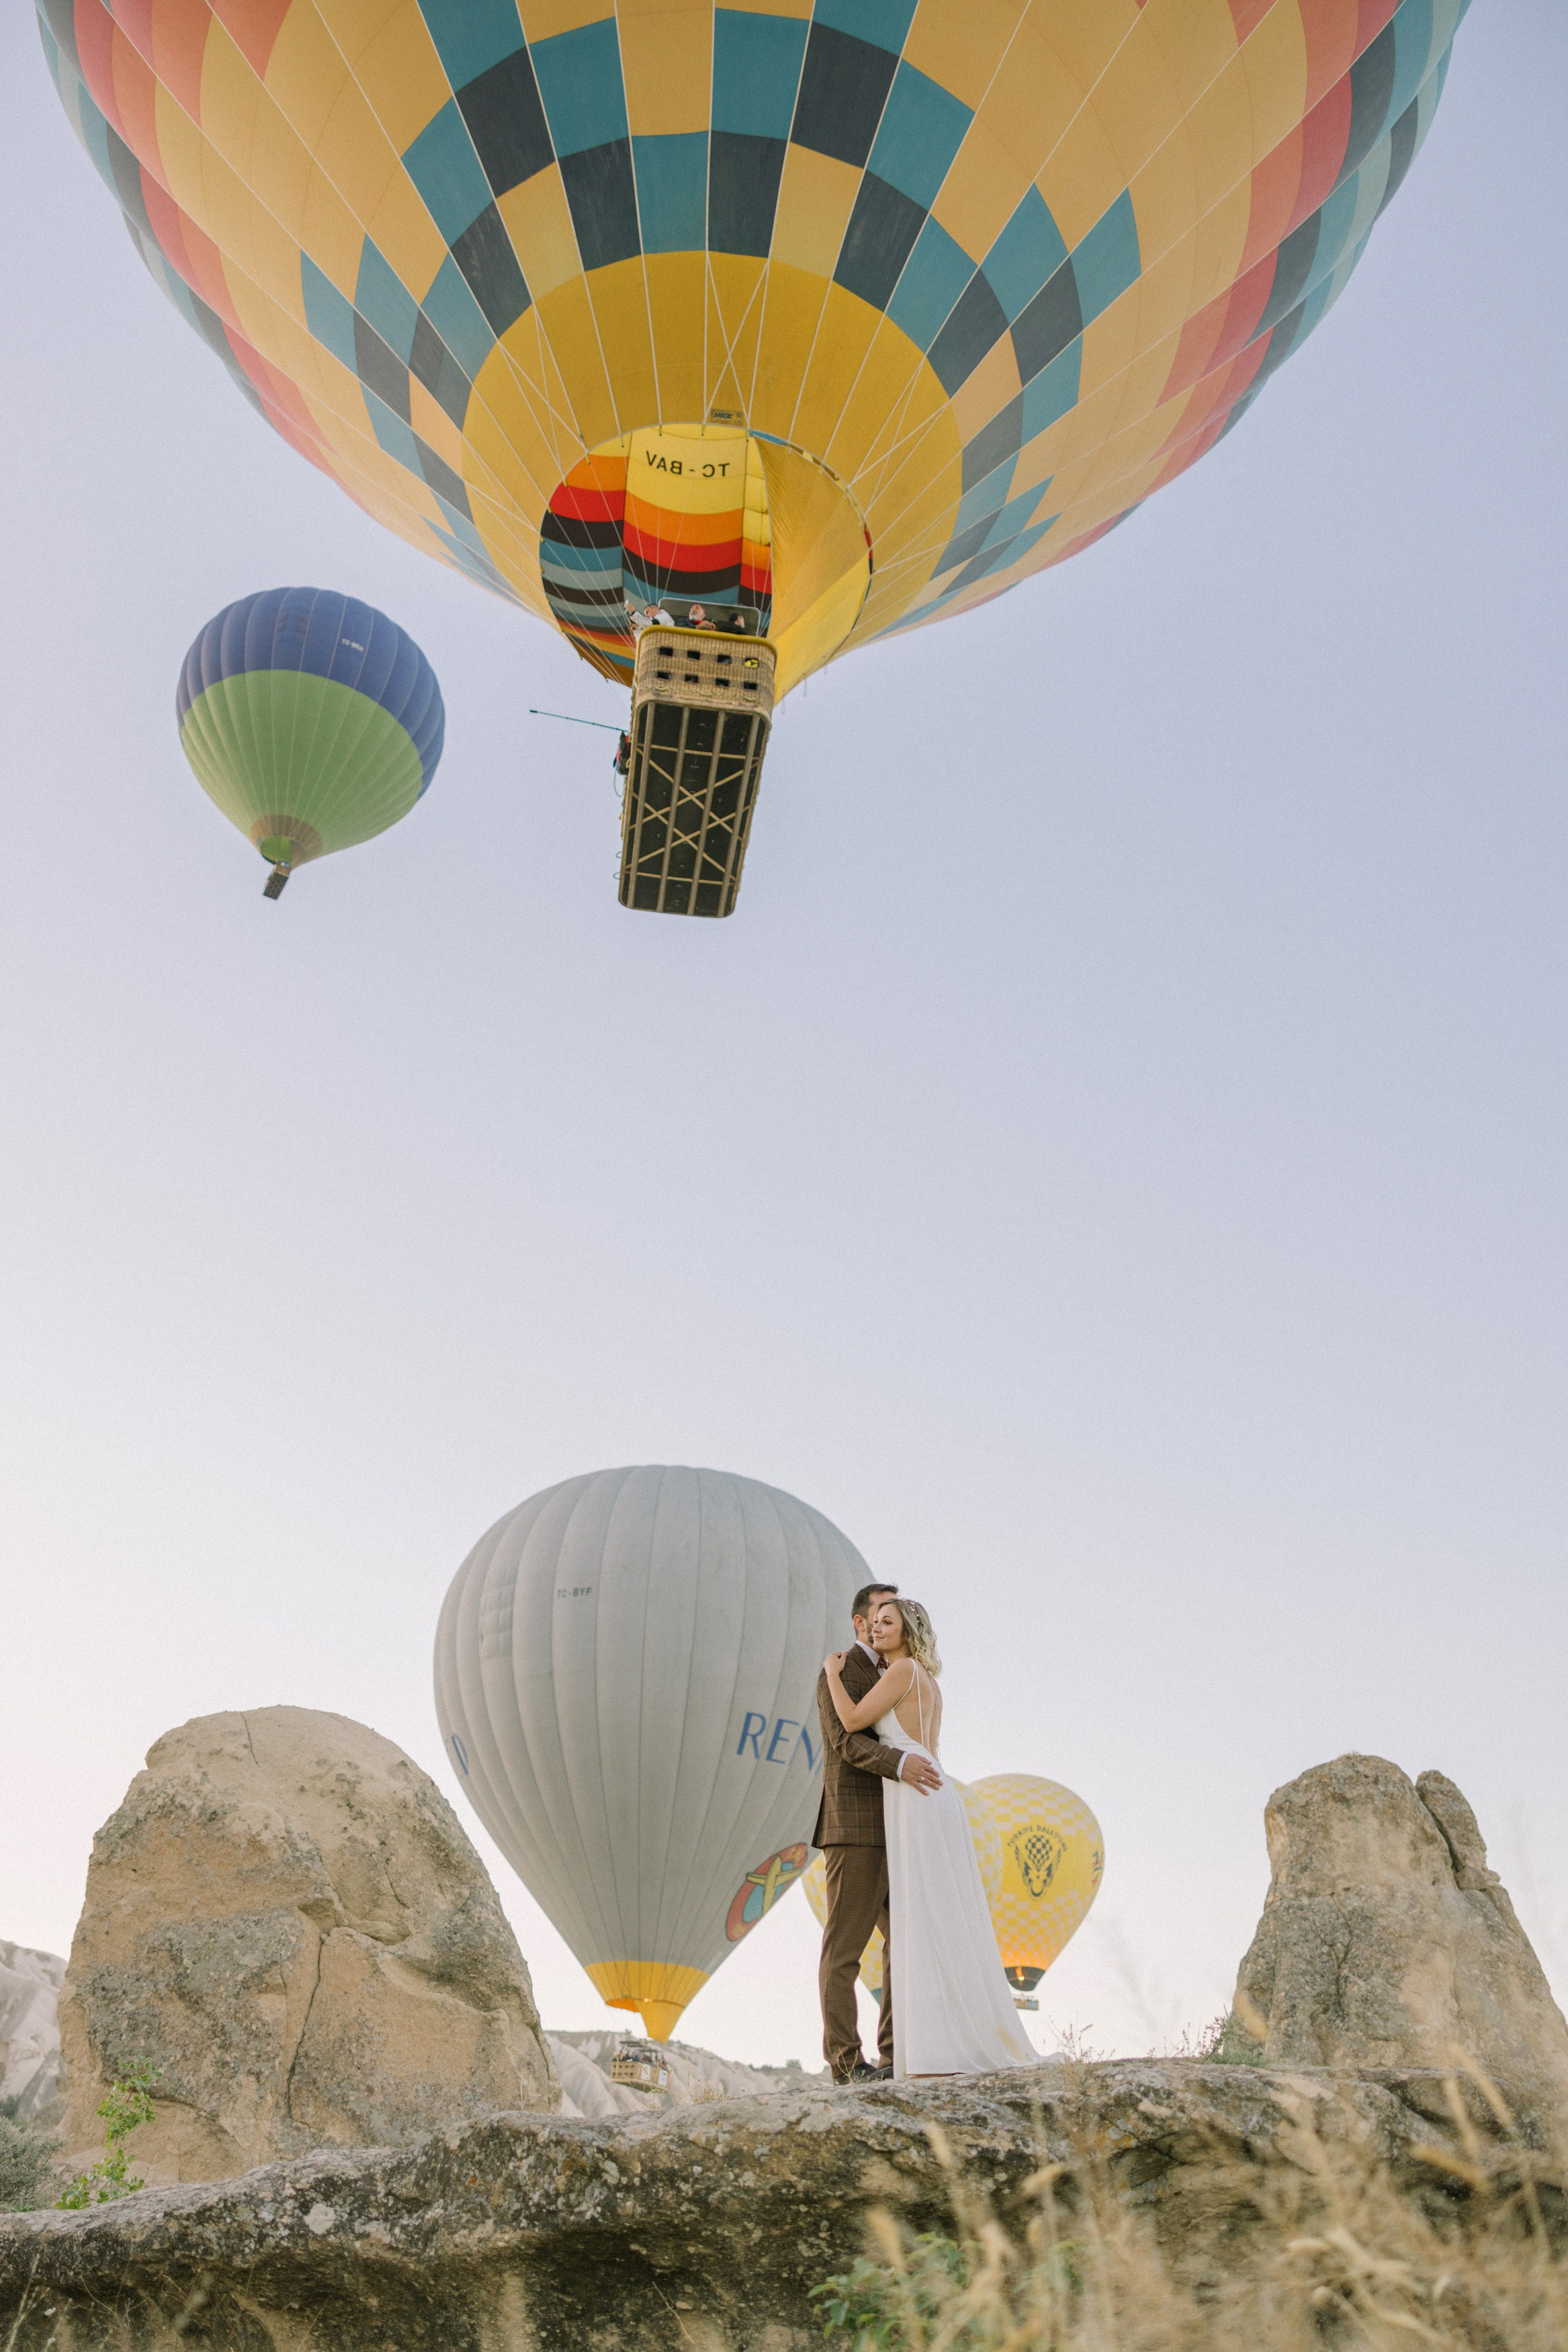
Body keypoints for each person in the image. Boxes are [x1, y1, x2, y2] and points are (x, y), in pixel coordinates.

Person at [824, 1596, 1036, 2079]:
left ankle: (907, 2051)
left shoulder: (900, 1673)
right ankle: (931, 2045)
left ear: (907, 1631)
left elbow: (853, 1723)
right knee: (926, 1922)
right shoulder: (928, 1680)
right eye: (874, 1622)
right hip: (931, 1788)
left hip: (914, 1793)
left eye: (887, 1622)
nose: (877, 1629)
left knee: (917, 1924)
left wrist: (833, 1674)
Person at [812, 1581, 941, 2083]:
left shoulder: (902, 1673)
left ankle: (894, 2057)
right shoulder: (841, 1673)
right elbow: (845, 1743)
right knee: (845, 1948)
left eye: (896, 1614)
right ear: (860, 1623)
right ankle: (846, 2064)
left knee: (901, 1946)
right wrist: (901, 1763)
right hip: (857, 1826)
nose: (888, 1620)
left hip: (901, 1821)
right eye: (880, 1614)